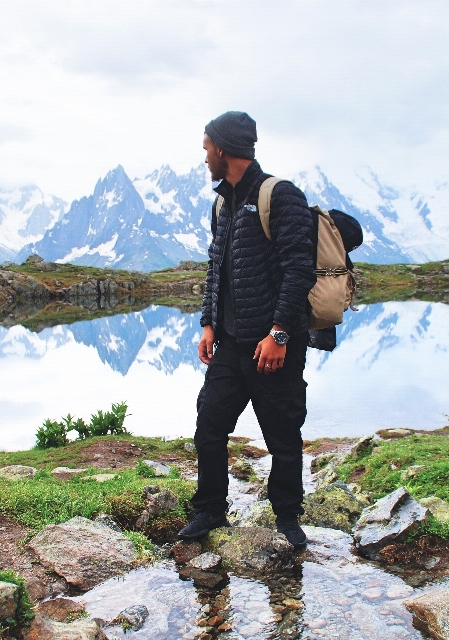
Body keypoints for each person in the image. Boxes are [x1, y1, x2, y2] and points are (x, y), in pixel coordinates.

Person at [177, 111, 316, 546]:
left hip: (272, 346)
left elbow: (300, 271)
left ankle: (288, 520)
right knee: (209, 427)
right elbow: (215, 268)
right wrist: (207, 323)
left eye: (206, 149)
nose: (204, 158)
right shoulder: (222, 203)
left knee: (282, 434)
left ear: (223, 149)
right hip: (231, 346)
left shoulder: (281, 196)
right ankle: (210, 512)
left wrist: (279, 335)